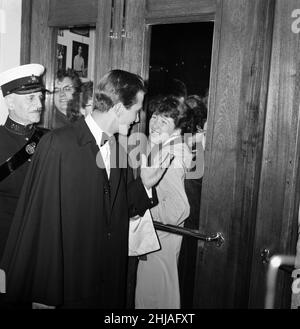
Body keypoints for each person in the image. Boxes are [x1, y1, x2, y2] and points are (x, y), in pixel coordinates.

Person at [0, 69, 173, 309]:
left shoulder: (119, 150)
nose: (137, 119)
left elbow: (118, 210)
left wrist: (145, 184)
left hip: (106, 283)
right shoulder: (58, 144)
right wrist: (42, 293)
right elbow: (43, 221)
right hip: (68, 285)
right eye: (136, 110)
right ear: (120, 109)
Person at [135, 95, 193, 309]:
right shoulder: (165, 148)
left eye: (164, 121)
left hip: (159, 238)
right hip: (160, 238)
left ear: (177, 129)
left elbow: (179, 208)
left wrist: (143, 213)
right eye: (155, 117)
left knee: (153, 300)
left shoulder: (170, 156)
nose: (155, 124)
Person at [0, 64, 47, 261]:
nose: (39, 104)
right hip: (5, 246)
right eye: (31, 97)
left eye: (40, 97)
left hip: (42, 244)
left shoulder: (50, 139)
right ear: (10, 102)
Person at [178, 94, 207, 308]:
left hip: (189, 213)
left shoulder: (192, 145)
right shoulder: (193, 145)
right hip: (189, 213)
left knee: (186, 264)